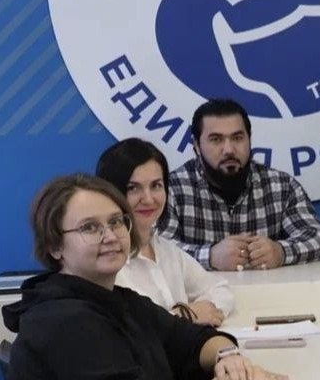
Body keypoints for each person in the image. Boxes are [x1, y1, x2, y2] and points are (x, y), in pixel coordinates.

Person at [3, 174, 288, 380]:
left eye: (116, 222)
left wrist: (227, 356)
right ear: (54, 246)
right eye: (90, 227)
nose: (111, 236)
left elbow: (191, 339)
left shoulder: (119, 300)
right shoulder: (64, 321)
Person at [159, 98, 320, 271]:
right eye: (216, 139)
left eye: (237, 138)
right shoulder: (172, 188)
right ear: (196, 145)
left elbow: (318, 239)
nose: (229, 150)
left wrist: (281, 252)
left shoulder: (281, 186)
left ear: (249, 139)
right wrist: (210, 256)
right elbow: (156, 249)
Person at [97, 137, 235, 326]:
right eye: (133, 188)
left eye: (156, 186)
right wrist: (184, 316)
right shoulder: (105, 262)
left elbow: (220, 290)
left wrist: (200, 312)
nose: (148, 199)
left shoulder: (166, 250)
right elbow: (123, 328)